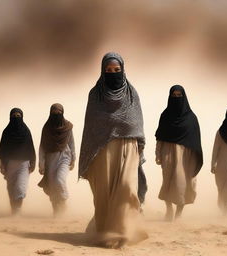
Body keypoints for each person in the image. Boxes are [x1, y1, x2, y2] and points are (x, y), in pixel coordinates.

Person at [79, 52, 147, 248]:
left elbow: (136, 122)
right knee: (104, 195)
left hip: (128, 147)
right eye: (108, 70)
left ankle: (124, 232)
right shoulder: (95, 94)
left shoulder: (131, 93)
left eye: (116, 70)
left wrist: (139, 145)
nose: (113, 73)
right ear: (102, 71)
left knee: (126, 187)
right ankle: (105, 232)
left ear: (123, 70)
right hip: (102, 150)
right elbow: (91, 128)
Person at [155, 85, 203, 221]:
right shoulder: (165, 116)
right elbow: (160, 137)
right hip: (168, 153)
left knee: (183, 184)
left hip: (186, 157)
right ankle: (169, 209)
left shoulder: (191, 118)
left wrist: (195, 159)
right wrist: (158, 154)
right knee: (168, 182)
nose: (176, 98)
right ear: (170, 97)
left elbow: (195, 141)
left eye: (179, 96)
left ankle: (179, 214)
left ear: (184, 97)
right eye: (174, 96)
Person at [38, 103, 75, 216]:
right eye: (54, 113)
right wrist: (41, 164)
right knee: (53, 185)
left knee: (59, 179)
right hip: (50, 159)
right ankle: (56, 210)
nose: (56, 115)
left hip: (65, 157)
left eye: (59, 113)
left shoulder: (68, 126)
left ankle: (63, 201)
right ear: (50, 113)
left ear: (62, 113)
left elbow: (71, 142)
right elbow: (42, 146)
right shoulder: (47, 128)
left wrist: (73, 158)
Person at [0, 108, 36, 215]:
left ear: (22, 117)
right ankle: (13, 209)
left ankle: (17, 211)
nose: (16, 118)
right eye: (14, 116)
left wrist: (33, 163)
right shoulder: (6, 132)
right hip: (9, 164)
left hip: (24, 164)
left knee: (20, 187)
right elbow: (2, 150)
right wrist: (2, 165)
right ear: (10, 117)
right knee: (11, 188)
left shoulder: (26, 131)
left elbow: (31, 148)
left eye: (18, 116)